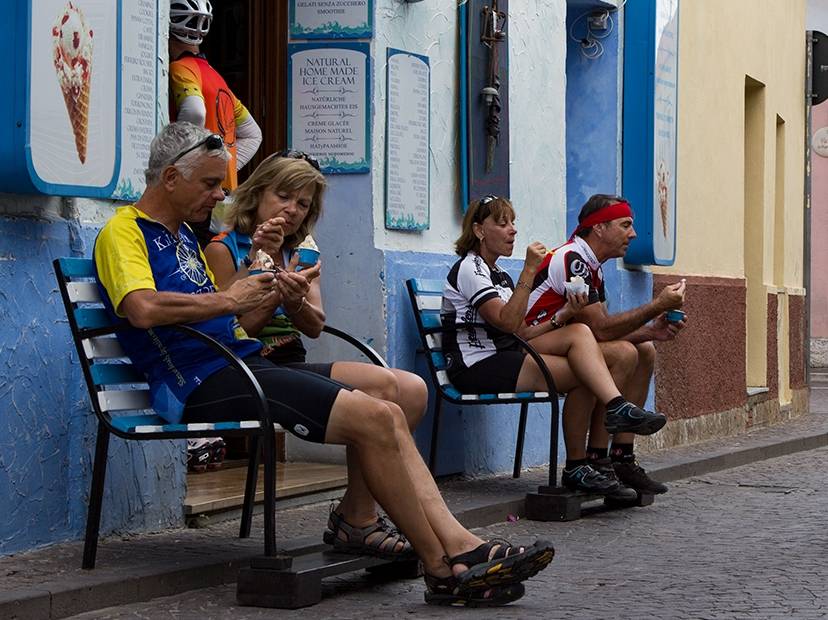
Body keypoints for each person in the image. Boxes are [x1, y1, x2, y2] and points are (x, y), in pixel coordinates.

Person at [93, 122, 554, 607]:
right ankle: (446, 562)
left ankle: (450, 547)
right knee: (376, 417)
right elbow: (142, 308)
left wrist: (264, 278)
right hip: (197, 383)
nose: (220, 193)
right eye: (210, 183)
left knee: (390, 408)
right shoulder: (124, 231)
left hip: (239, 365)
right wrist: (231, 298)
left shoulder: (182, 236)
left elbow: (240, 320)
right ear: (170, 178)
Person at [203, 151, 430, 560]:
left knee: (410, 389)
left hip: (290, 361)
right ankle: (358, 523)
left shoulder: (301, 252)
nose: (292, 210)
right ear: (257, 195)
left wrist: (295, 302)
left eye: (303, 204)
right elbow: (231, 334)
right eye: (284, 196)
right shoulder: (223, 250)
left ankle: (357, 511)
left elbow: (314, 324)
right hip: (247, 368)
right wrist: (269, 284)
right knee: (381, 388)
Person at [441, 195, 667, 496]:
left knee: (587, 369)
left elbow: (521, 331)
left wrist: (563, 316)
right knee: (587, 365)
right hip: (477, 364)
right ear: (480, 231)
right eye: (502, 223)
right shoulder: (471, 269)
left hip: (506, 354)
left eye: (513, 223)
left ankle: (583, 465)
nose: (513, 230)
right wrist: (528, 272)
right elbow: (507, 324)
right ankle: (605, 427)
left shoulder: (498, 274)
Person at [525, 193, 687, 495]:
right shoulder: (573, 260)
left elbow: (601, 331)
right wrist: (656, 305)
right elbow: (600, 331)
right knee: (622, 354)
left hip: (563, 342)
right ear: (599, 228)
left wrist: (652, 331)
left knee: (644, 350)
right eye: (625, 225)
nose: (633, 234)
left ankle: (621, 457)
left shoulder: (591, 265)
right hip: (533, 345)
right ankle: (591, 461)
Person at [168, 0, 263, 246]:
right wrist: (224, 169)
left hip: (195, 191)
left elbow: (195, 112)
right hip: (223, 195)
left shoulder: (181, 68)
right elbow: (253, 134)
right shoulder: (215, 77)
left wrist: (178, 164)